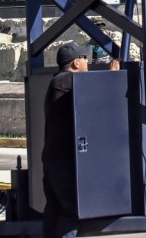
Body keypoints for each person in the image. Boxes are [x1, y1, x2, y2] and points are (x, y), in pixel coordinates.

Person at [42, 43, 89, 238]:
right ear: (76, 63)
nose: (88, 63)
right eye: (85, 59)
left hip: (53, 160)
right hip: (63, 163)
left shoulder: (57, 82)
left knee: (54, 213)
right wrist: (115, 75)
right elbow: (96, 88)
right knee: (70, 213)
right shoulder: (66, 81)